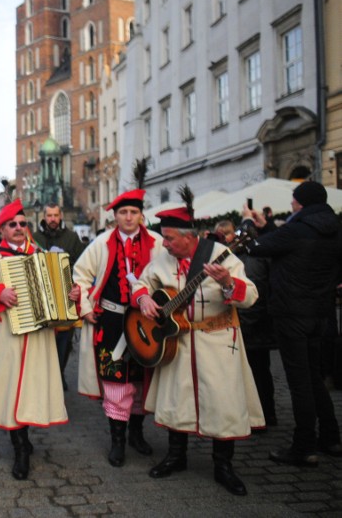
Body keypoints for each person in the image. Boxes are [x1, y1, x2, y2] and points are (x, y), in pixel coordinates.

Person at [133, 203, 262, 496]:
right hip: (176, 342)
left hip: (217, 340)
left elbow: (251, 295)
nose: (163, 244)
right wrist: (143, 300)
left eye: (169, 238)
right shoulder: (163, 259)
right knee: (177, 400)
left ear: (189, 237)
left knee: (222, 403)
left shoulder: (222, 256)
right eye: (163, 238)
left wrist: (228, 282)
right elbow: (141, 283)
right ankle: (176, 457)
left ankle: (223, 466)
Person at [0, 199, 68, 480]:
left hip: (38, 337)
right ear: (2, 230)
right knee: (11, 389)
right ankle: (20, 446)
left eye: (23, 224)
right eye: (13, 224)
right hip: (7, 337)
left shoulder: (42, 253)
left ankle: (26, 433)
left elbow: (59, 288)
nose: (19, 228)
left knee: (34, 387)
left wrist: (69, 295)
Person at [242, 181, 342, 465]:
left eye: (295, 201)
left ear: (303, 203)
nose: (293, 205)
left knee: (299, 382)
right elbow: (288, 243)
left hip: (291, 314)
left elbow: (257, 248)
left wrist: (248, 224)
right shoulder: (334, 228)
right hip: (321, 314)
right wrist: (270, 225)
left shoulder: (297, 228)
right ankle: (331, 438)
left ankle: (304, 445)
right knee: (313, 377)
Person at [72, 189, 164, 467]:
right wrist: (86, 309)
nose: (128, 217)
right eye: (123, 212)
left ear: (141, 215)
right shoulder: (101, 243)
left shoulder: (158, 243)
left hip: (146, 321)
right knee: (115, 380)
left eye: (133, 212)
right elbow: (80, 277)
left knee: (139, 378)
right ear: (114, 216)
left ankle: (136, 433)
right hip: (111, 322)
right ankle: (118, 441)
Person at [214, 219, 277, 427]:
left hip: (254, 321)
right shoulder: (231, 258)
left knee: (257, 371)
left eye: (228, 234)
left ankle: (263, 415)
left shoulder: (249, 258)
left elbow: (260, 289)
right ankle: (257, 414)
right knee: (251, 371)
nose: (226, 238)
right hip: (248, 321)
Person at [33, 203, 87, 389]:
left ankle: (59, 371)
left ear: (61, 216)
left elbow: (81, 265)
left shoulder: (71, 238)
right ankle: (44, 374)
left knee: (64, 339)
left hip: (65, 294)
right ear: (44, 216)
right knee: (41, 336)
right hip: (41, 294)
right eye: (49, 215)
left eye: (56, 215)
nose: (53, 219)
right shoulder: (34, 237)